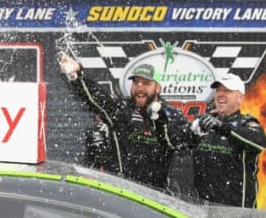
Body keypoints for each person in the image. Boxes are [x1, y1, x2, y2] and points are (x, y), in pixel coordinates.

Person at [60, 55, 189, 190]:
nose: (139, 88)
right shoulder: (123, 110)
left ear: (158, 88)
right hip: (122, 192)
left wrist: (158, 122)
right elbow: (98, 99)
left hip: (156, 196)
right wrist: (77, 75)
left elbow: (184, 144)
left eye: (146, 83)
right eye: (136, 82)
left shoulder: (171, 115)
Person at [187, 73, 266, 207]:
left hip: (235, 210)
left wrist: (222, 127)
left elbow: (259, 142)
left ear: (241, 98)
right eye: (218, 90)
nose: (220, 94)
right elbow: (179, 146)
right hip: (201, 208)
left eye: (227, 91)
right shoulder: (205, 121)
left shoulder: (247, 123)